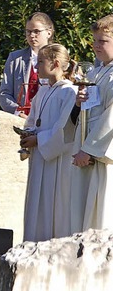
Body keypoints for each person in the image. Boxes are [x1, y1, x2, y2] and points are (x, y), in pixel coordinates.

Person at [19, 44, 78, 242]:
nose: (36, 66)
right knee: (35, 206)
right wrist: (27, 134)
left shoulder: (70, 92)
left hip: (57, 161)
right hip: (39, 158)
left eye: (40, 62)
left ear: (55, 64)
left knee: (54, 208)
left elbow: (65, 129)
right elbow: (33, 119)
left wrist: (40, 140)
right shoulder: (43, 92)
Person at [70, 15, 113, 232]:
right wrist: (78, 103)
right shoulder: (95, 72)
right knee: (82, 218)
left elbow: (111, 117)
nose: (96, 46)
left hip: (101, 157)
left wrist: (89, 150)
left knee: (101, 217)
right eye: (94, 40)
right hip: (85, 151)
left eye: (102, 41)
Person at [0, 12, 55, 116]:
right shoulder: (15, 59)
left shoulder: (58, 58)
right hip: (21, 120)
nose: (32, 35)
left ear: (49, 32)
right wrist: (18, 112)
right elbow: (4, 94)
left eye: (36, 31)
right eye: (28, 32)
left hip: (49, 119)